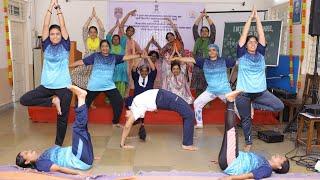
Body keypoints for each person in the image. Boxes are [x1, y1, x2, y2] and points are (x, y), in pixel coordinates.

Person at [19, 0, 72, 146]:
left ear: (61, 35)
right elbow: (44, 25)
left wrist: (57, 7)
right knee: (24, 99)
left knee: (62, 117)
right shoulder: (46, 45)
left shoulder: (65, 45)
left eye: (57, 34)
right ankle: (52, 101)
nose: (55, 36)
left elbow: (63, 25)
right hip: (47, 85)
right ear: (49, 36)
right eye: (52, 34)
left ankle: (58, 145)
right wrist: (49, 6)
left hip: (64, 87)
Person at [235, 7, 284, 151]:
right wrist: (250, 19)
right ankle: (248, 142)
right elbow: (243, 35)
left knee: (279, 106)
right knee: (246, 119)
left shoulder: (261, 54)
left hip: (260, 92)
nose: (252, 43)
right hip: (244, 93)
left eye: (254, 42)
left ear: (258, 45)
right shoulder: (241, 54)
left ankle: (253, 105)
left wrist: (258, 20)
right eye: (249, 42)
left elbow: (262, 36)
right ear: (245, 45)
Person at [16, 85, 94, 176]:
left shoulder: (42, 156)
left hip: (82, 156)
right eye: (27, 153)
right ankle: (81, 97)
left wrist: (89, 155)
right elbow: (59, 169)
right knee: (78, 129)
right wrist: (79, 173)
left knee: (83, 130)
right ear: (27, 162)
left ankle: (81, 98)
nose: (29, 150)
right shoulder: (41, 164)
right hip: (79, 160)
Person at [69, 40, 145, 127]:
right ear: (100, 48)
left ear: (109, 48)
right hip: (94, 86)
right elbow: (82, 62)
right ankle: (79, 122)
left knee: (119, 102)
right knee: (84, 104)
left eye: (106, 46)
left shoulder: (114, 57)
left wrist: (139, 55)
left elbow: (127, 57)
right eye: (103, 46)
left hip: (109, 85)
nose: (105, 48)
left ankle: (115, 122)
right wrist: (69, 65)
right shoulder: (95, 56)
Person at [218, 90, 290, 180]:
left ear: (279, 167)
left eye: (280, 158)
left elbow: (250, 175)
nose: (278, 155)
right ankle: (230, 101)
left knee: (231, 132)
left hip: (231, 162)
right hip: (231, 159)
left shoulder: (267, 169)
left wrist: (231, 178)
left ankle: (230, 101)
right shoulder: (263, 160)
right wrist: (223, 155)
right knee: (230, 133)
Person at [172, 44, 236, 129]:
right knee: (197, 103)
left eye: (214, 50)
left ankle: (244, 122)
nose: (212, 52)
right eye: (210, 50)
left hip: (224, 90)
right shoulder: (204, 61)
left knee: (236, 106)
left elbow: (237, 63)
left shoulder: (224, 60)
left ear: (217, 51)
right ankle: (199, 124)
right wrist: (177, 58)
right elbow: (190, 59)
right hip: (211, 91)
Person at [120, 89, 197, 151]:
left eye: (126, 116)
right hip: (163, 96)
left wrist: (123, 143)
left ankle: (187, 142)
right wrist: (122, 143)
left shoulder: (135, 107)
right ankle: (187, 144)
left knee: (188, 113)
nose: (126, 117)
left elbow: (128, 125)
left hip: (163, 96)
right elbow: (127, 125)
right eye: (127, 118)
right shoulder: (136, 107)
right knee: (189, 113)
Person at [71, 7, 105, 108]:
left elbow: (102, 29)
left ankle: (91, 102)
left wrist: (97, 17)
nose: (93, 33)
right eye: (91, 32)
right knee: (74, 74)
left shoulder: (100, 40)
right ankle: (80, 97)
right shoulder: (86, 40)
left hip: (95, 66)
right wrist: (91, 17)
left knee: (92, 84)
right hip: (85, 64)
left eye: (95, 32)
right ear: (89, 33)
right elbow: (84, 28)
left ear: (97, 33)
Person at [191, 9, 216, 98]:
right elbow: (194, 28)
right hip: (197, 63)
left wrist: (206, 16)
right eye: (202, 31)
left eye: (206, 31)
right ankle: (198, 99)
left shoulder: (210, 40)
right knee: (198, 83)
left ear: (208, 33)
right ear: (200, 33)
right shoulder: (197, 39)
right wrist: (200, 16)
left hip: (207, 63)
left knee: (206, 81)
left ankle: (206, 100)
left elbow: (213, 28)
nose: (204, 32)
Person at [119, 9, 143, 96]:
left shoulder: (133, 42)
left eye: (132, 31)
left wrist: (139, 54)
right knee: (120, 80)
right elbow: (121, 25)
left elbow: (140, 50)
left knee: (128, 80)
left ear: (133, 33)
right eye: (129, 30)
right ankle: (118, 96)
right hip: (122, 62)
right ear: (126, 31)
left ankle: (125, 96)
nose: (130, 32)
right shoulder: (123, 37)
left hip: (130, 64)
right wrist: (128, 13)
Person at [106, 20, 128, 99]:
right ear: (111, 40)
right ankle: (110, 100)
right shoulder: (109, 46)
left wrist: (120, 28)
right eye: (114, 39)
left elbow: (124, 37)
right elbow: (108, 35)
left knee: (121, 84)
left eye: (117, 39)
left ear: (119, 40)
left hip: (121, 69)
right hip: (112, 69)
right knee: (111, 84)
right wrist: (115, 26)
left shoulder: (122, 45)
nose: (115, 40)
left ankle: (119, 99)